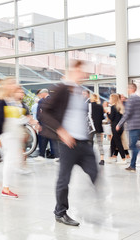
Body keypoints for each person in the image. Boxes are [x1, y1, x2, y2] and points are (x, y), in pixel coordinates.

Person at [39, 61, 98, 226]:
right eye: (81, 71)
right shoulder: (62, 89)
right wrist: (61, 131)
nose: (84, 74)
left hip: (84, 142)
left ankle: (88, 205)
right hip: (68, 143)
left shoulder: (80, 91)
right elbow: (46, 112)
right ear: (73, 71)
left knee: (94, 172)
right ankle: (60, 212)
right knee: (64, 179)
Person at [0, 78, 35, 198]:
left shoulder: (15, 102)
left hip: (15, 135)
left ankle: (1, 182)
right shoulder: (3, 102)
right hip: (8, 135)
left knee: (13, 160)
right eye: (11, 84)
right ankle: (5, 187)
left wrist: (29, 120)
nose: (14, 85)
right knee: (10, 160)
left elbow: (18, 119)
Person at [117, 83, 140, 172]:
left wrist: (119, 124)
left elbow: (127, 114)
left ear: (131, 89)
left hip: (133, 126)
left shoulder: (131, 100)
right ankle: (132, 166)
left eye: (128, 88)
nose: (127, 90)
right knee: (135, 145)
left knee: (133, 145)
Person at [35, 89, 58, 160]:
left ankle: (41, 155)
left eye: (40, 94)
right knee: (53, 140)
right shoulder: (54, 100)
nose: (40, 96)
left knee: (42, 139)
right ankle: (56, 155)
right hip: (52, 124)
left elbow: (38, 114)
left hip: (43, 123)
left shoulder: (41, 101)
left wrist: (39, 120)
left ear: (43, 93)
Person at [106, 94, 126, 164]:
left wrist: (107, 113)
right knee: (113, 142)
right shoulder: (120, 107)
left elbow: (111, 118)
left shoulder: (113, 107)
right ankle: (111, 157)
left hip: (115, 127)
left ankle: (123, 158)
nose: (109, 100)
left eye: (110, 98)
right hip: (121, 127)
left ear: (113, 99)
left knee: (118, 143)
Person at [90, 94, 105, 165]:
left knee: (90, 143)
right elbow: (102, 117)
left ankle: (90, 159)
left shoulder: (89, 106)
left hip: (90, 127)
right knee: (100, 143)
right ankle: (102, 159)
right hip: (98, 126)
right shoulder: (100, 106)